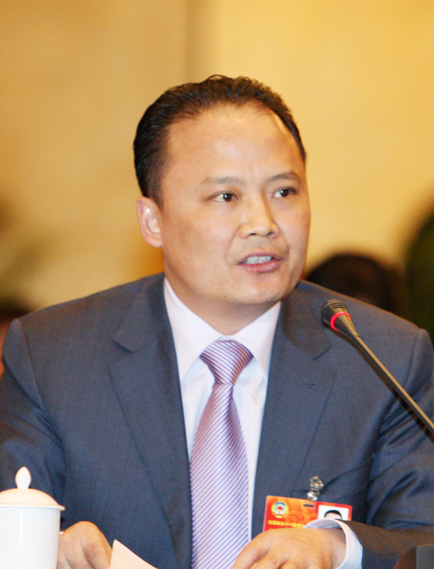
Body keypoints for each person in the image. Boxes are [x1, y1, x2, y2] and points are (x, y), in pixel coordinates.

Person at [1, 76, 434, 569]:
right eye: (226, 197)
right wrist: (41, 546)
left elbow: (423, 539)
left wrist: (338, 548)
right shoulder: (51, 356)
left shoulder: (384, 358)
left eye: (284, 191)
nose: (263, 223)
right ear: (153, 221)